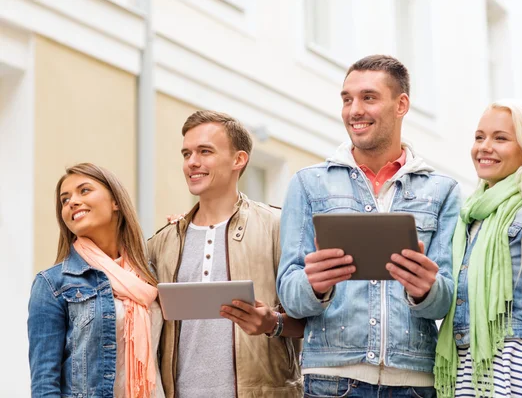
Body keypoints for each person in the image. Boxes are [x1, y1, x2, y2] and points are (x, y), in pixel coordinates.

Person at [276, 54, 461, 397]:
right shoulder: (308, 184)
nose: (353, 110)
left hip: (415, 384)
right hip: (330, 381)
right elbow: (290, 295)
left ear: (401, 104)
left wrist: (425, 289)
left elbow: (446, 300)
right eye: (347, 99)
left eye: (368, 98)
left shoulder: (442, 191)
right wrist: (314, 285)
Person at [148, 110, 304, 398]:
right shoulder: (161, 243)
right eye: (186, 154)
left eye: (204, 151)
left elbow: (318, 320)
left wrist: (273, 323)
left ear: (238, 160)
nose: (192, 162)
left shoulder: (278, 228)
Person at [434, 100, 522, 398]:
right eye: (479, 137)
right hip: (464, 377)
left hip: (517, 378)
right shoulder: (467, 217)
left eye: (500, 138)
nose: (484, 147)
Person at [28, 163, 165, 398]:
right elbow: (44, 384)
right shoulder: (52, 284)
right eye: (64, 199)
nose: (72, 202)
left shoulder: (151, 274)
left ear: (116, 202)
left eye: (84, 190)